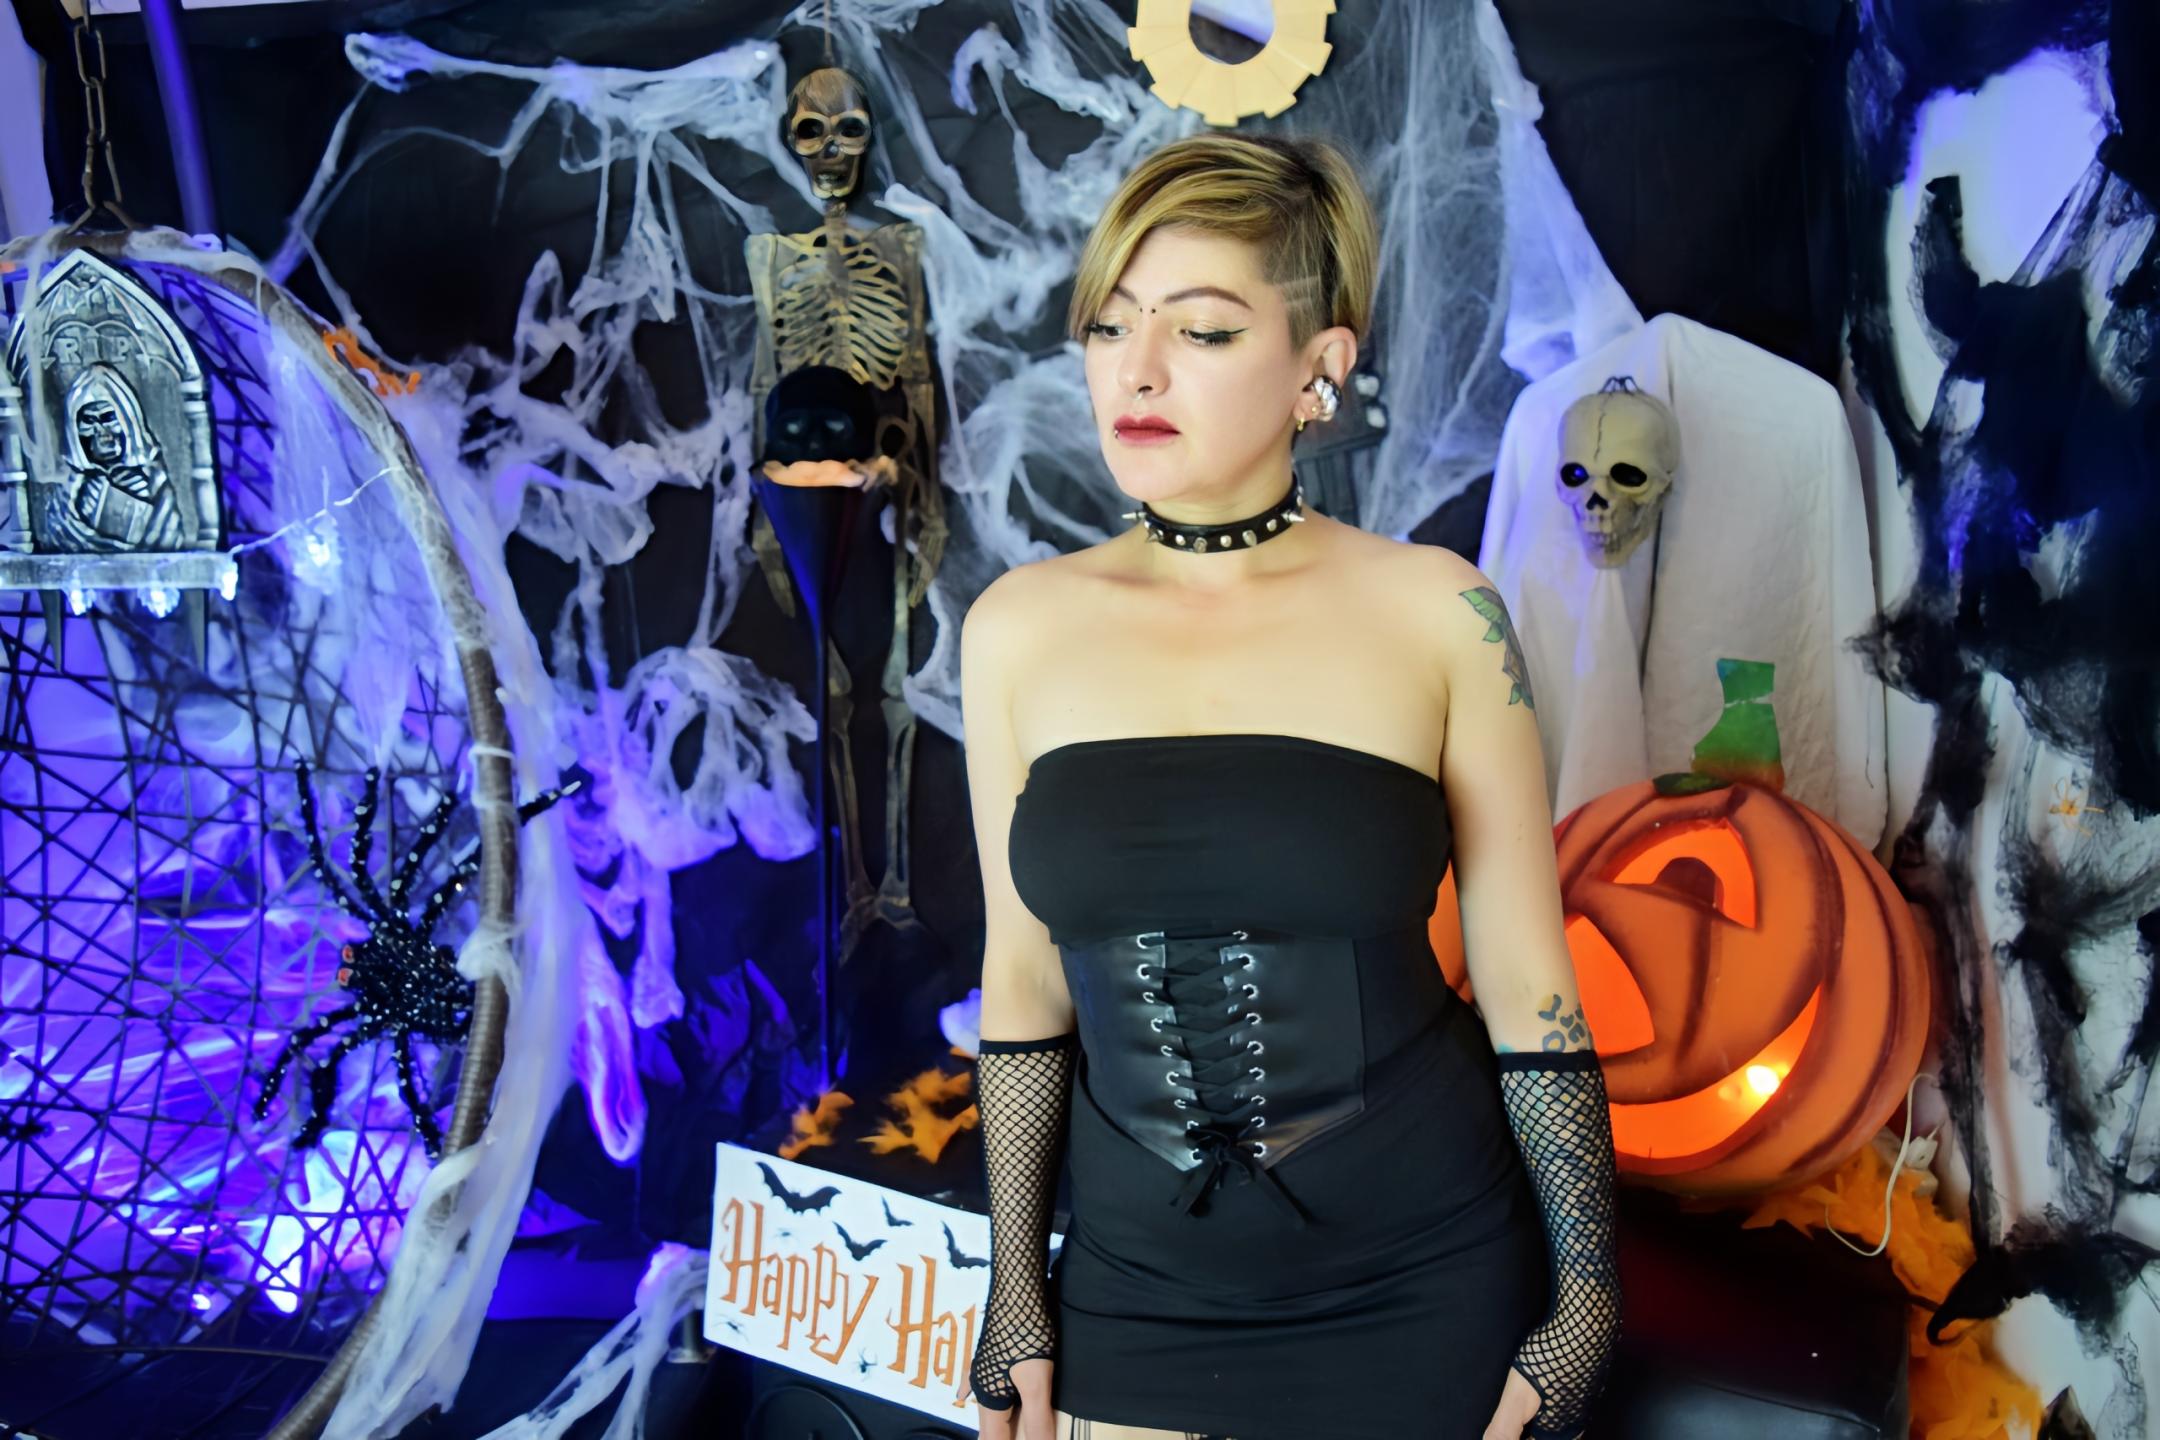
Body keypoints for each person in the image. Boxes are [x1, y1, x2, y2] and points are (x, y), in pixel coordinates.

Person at [958, 133, 1620, 1440]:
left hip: (1423, 1276)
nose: (1138, 370)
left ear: (1321, 366)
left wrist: (1588, 1300)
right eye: (1111, 326)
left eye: (1202, 330)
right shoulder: (1016, 629)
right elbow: (1024, 980)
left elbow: (1527, 980)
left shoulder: (1440, 613)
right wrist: (1014, 1290)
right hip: (1136, 1294)